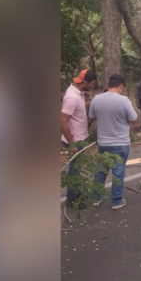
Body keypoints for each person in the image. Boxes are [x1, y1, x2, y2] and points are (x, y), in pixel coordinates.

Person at [88, 74, 137, 210]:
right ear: (120, 86)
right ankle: (116, 201)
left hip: (103, 143)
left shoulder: (97, 99)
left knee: (100, 171)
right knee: (118, 172)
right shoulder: (124, 100)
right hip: (120, 142)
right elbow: (133, 119)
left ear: (108, 85)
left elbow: (91, 117)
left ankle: (96, 198)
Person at [61, 69, 96, 207]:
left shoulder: (77, 93)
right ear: (86, 82)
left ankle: (75, 192)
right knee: (74, 169)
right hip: (75, 139)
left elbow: (80, 107)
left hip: (80, 137)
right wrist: (72, 144)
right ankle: (72, 198)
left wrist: (95, 101)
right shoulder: (72, 97)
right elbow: (63, 121)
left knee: (77, 167)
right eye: (92, 83)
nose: (93, 85)